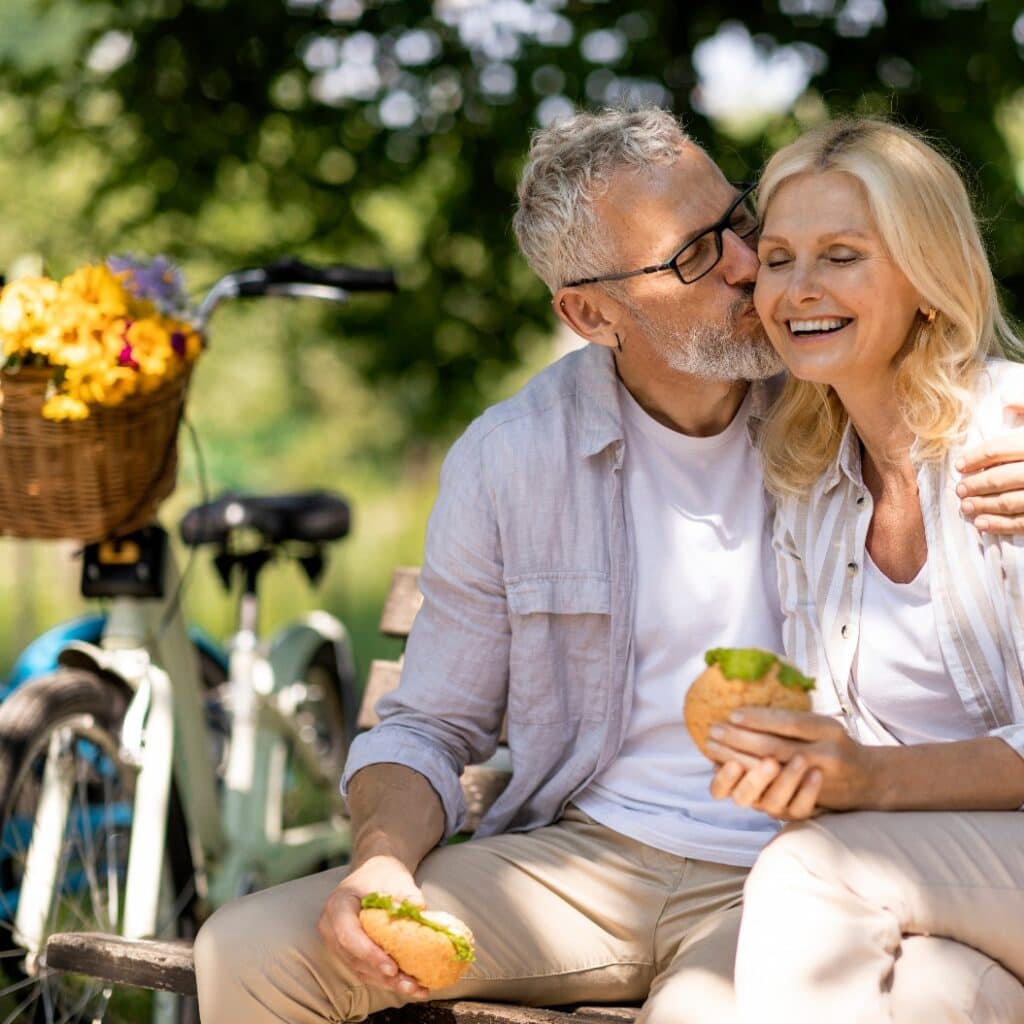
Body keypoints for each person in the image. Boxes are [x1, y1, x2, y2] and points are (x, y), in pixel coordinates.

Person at [192, 109, 1024, 1024]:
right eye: (695, 255)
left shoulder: (830, 378)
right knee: (246, 951)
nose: (754, 269)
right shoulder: (516, 457)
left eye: (739, 223)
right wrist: (379, 863)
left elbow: (936, 354)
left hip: (795, 867)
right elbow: (427, 723)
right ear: (592, 314)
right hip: (589, 860)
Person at [702, 117, 1024, 1024]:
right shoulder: (810, 477)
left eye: (842, 256)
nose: (797, 289)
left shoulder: (1011, 437)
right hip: (950, 884)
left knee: (812, 871)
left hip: (931, 862)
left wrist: (868, 780)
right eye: (777, 257)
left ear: (928, 280)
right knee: (939, 999)